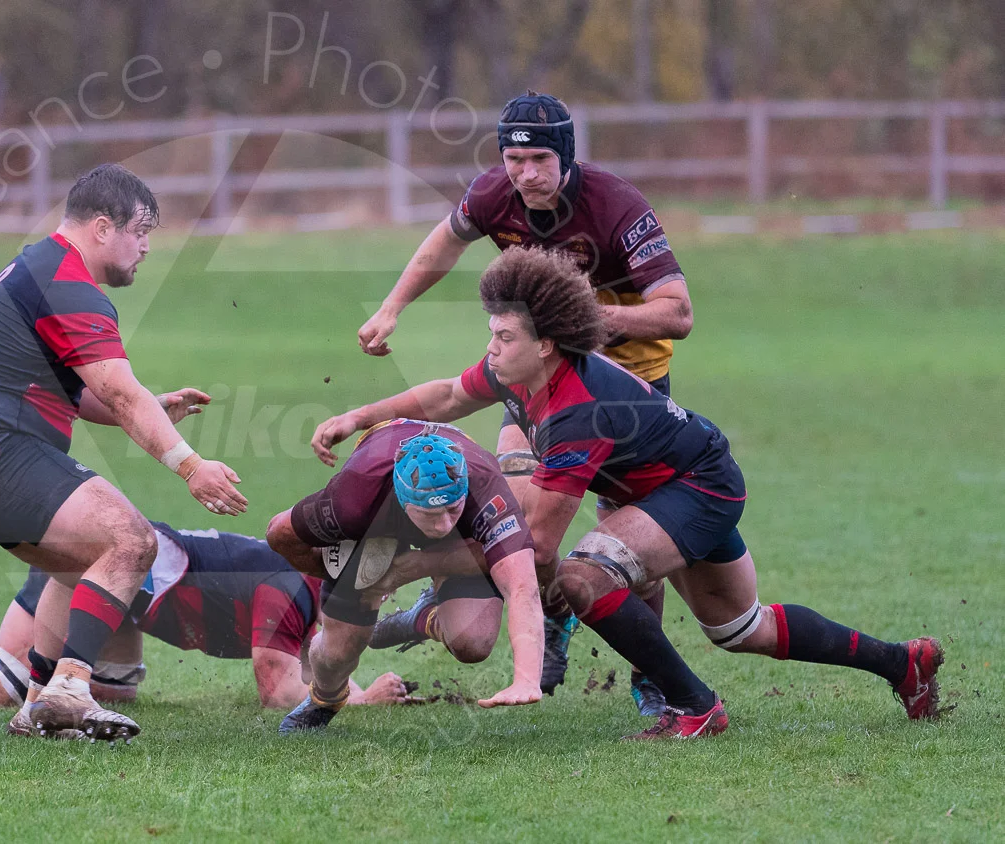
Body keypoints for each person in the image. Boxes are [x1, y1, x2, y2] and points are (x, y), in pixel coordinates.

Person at [333, 246, 943, 739]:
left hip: (698, 488)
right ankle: (901, 663)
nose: (491, 348)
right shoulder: (522, 371)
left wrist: (410, 566)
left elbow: (537, 545)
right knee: (740, 628)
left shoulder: (577, 411)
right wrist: (360, 417)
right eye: (491, 333)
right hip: (680, 480)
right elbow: (445, 396)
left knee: (579, 577)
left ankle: (694, 707)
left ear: (545, 343)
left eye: (504, 336)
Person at [357, 91, 695, 711]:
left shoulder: (617, 205)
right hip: (538, 381)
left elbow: (679, 313)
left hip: (626, 395)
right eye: (514, 159)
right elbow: (443, 243)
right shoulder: (494, 194)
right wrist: (391, 307)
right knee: (519, 520)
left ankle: (653, 680)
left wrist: (578, 319)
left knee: (631, 550)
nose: (525, 173)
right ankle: (544, 622)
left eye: (539, 158)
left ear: (566, 156)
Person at [0, 163, 245, 742]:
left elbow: (86, 393)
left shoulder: (40, 265)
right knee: (131, 541)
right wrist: (191, 466)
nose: (147, 247)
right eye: (140, 231)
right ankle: (71, 687)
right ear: (102, 227)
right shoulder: (68, 285)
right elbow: (118, 392)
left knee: (77, 562)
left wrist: (153, 404)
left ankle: (38, 705)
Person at [0, 523, 412, 722]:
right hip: (98, 572)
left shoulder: (307, 583)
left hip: (131, 596)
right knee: (0, 695)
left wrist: (357, 691)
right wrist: (359, 702)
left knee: (111, 696)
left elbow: (325, 663)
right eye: (378, 585)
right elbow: (277, 690)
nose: (381, 598)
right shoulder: (288, 589)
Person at [265, 420, 543, 733]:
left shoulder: (484, 488)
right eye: (429, 514)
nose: (443, 525)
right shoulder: (354, 499)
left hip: (460, 542)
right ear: (402, 497)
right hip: (376, 524)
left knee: (473, 642)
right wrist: (339, 575)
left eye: (453, 509)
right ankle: (324, 699)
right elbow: (280, 534)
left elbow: (522, 585)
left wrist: (526, 678)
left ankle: (421, 615)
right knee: (337, 653)